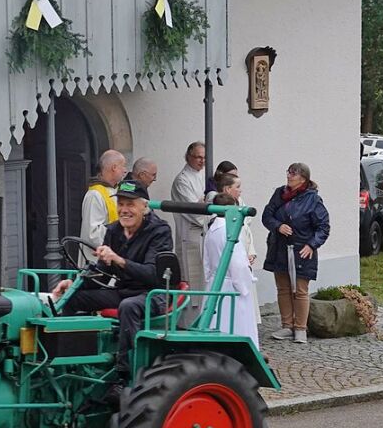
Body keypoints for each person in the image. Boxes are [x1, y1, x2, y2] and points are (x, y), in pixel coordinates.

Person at [51, 179, 173, 384]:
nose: (124, 210)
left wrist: (118, 259)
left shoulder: (160, 231)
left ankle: (126, 374)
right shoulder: (114, 230)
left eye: (130, 204)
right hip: (124, 290)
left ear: (144, 206)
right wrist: (74, 285)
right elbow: (102, 272)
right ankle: (69, 364)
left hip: (154, 293)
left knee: (128, 306)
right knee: (72, 299)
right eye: (121, 204)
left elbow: (153, 275)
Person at [261, 163, 331, 344]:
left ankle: (300, 328)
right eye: (289, 172)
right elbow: (266, 216)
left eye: (294, 174)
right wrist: (278, 226)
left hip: (301, 250)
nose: (289, 176)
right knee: (283, 288)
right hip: (279, 248)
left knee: (300, 290)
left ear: (303, 179)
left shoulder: (313, 199)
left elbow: (323, 227)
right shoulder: (279, 193)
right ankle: (287, 325)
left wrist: (311, 245)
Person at [202, 193, 259, 349]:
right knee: (236, 325)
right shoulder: (229, 231)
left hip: (215, 284)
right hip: (231, 286)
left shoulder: (212, 229)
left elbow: (206, 261)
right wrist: (245, 285)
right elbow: (238, 265)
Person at [215, 173, 261, 325]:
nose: (240, 190)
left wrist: (251, 252)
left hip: (243, 258)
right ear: (227, 189)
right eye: (238, 187)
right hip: (232, 277)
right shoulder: (221, 216)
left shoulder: (239, 203)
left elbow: (247, 229)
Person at [170, 141, 206, 324]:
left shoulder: (204, 176)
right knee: (191, 280)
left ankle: (203, 319)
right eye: (198, 157)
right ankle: (188, 323)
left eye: (204, 157)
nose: (202, 161)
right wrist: (206, 207)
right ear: (188, 157)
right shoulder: (182, 180)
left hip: (204, 235)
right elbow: (195, 211)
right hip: (190, 235)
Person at [80, 149, 127, 262]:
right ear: (114, 167)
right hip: (97, 262)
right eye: (123, 166)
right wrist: (121, 237)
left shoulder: (115, 190)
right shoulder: (95, 195)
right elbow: (93, 233)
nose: (125, 170)